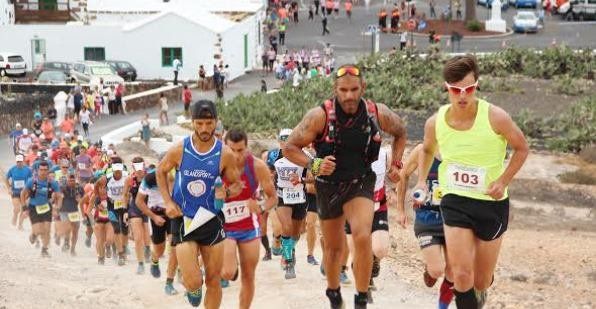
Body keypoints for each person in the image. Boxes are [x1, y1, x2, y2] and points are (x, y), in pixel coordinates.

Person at [282, 64, 407, 308]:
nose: (349, 95)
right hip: (329, 185)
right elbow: (289, 147)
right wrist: (314, 164)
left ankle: (361, 297)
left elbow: (400, 132)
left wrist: (397, 163)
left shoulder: (375, 113)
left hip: (360, 181)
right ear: (335, 89)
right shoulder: (320, 116)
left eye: (354, 89)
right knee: (334, 248)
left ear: (363, 88)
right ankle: (334, 293)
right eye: (343, 90)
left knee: (361, 236)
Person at [414, 55, 529, 308]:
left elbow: (522, 148)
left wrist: (502, 180)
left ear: (477, 85)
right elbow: (426, 150)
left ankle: (482, 289)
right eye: (456, 90)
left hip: (491, 204)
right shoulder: (435, 122)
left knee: (480, 279)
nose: (462, 96)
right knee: (461, 274)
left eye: (469, 89)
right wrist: (421, 181)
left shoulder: (496, 117)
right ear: (447, 88)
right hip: (454, 200)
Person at [156, 100, 241, 307]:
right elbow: (160, 171)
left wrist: (226, 191)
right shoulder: (180, 149)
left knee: (214, 280)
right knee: (194, 282)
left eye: (209, 123)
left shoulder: (225, 153)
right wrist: (167, 202)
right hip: (184, 217)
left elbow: (237, 185)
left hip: (211, 218)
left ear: (216, 122)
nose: (204, 129)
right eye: (200, 123)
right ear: (192, 123)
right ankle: (191, 286)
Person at [220, 129, 277, 308]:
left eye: (241, 150)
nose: (236, 155)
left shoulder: (257, 166)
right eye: (232, 150)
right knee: (228, 273)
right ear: (225, 147)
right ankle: (229, 265)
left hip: (249, 226)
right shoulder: (216, 165)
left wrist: (260, 207)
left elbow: (273, 198)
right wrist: (227, 193)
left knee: (248, 276)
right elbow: (205, 197)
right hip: (225, 227)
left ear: (247, 147)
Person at [396, 144, 454, 309]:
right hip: (426, 217)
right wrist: (400, 210)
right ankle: (431, 267)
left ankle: (442, 307)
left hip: (453, 218)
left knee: (453, 271)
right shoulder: (421, 150)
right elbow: (403, 175)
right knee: (437, 270)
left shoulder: (459, 146)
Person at [136, 169, 179, 295]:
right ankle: (154, 259)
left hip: (173, 213)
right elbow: (139, 201)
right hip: (156, 213)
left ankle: (169, 283)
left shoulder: (177, 174)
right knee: (160, 250)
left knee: (174, 246)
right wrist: (154, 217)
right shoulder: (149, 178)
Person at [21, 161, 62, 257]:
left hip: (46, 207)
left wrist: (57, 209)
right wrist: (24, 208)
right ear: (37, 170)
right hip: (33, 207)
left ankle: (44, 250)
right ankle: (34, 235)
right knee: (39, 230)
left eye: (45, 170)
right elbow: (22, 194)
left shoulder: (52, 182)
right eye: (41, 170)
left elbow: (59, 196)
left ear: (48, 171)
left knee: (47, 230)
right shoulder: (32, 181)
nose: (43, 172)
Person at [123, 157, 152, 274]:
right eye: (136, 166)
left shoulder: (149, 177)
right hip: (134, 208)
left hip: (147, 207)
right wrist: (125, 211)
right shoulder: (130, 179)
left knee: (146, 235)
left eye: (140, 166)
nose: (138, 169)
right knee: (138, 238)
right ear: (133, 167)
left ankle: (148, 249)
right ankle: (140, 264)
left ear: (144, 165)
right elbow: (125, 195)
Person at [102, 157, 128, 266]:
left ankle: (123, 248)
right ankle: (120, 254)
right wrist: (101, 200)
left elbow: (131, 190)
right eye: (115, 171)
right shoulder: (106, 178)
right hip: (112, 208)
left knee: (125, 231)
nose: (118, 173)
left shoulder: (127, 177)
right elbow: (99, 190)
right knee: (117, 229)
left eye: (119, 171)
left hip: (124, 206)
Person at [56, 174, 82, 256]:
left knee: (75, 230)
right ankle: (66, 241)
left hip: (74, 211)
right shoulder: (63, 188)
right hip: (64, 211)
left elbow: (82, 200)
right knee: (67, 227)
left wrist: (79, 199)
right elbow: (59, 197)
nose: (72, 182)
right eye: (70, 181)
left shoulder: (79, 188)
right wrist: (57, 208)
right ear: (67, 181)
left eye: (73, 180)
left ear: (75, 180)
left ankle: (73, 249)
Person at [5, 155, 33, 229]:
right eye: (18, 162)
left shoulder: (28, 170)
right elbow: (6, 178)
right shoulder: (12, 169)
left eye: (20, 161)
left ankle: (20, 224)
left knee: (23, 209)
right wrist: (9, 188)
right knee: (17, 208)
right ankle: (14, 219)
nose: (19, 163)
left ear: (23, 161)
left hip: (25, 193)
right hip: (15, 192)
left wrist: (29, 188)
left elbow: (32, 179)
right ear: (16, 162)